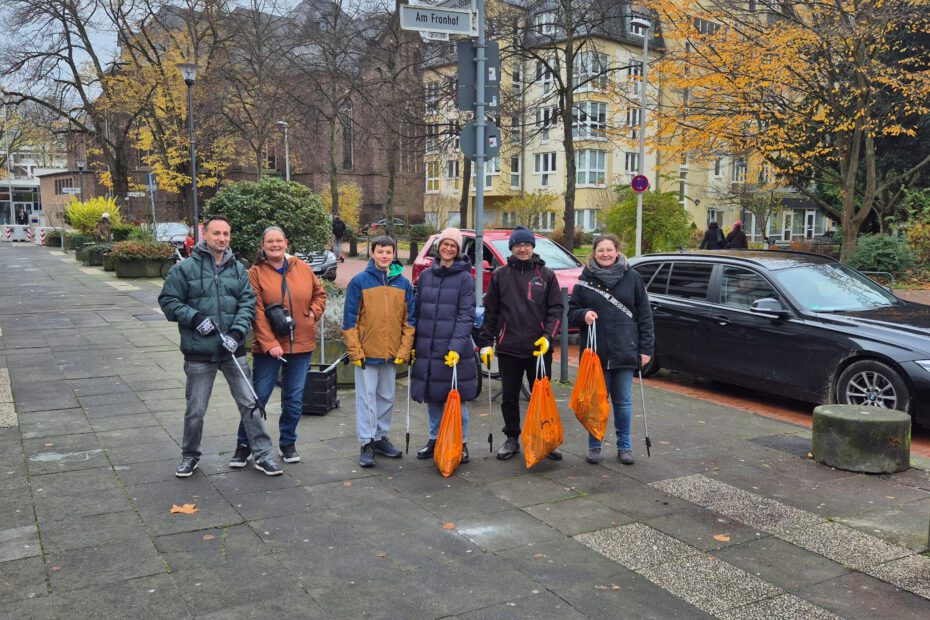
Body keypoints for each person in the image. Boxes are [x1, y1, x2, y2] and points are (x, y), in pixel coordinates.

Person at [158, 215, 283, 478]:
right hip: (199, 353)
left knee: (250, 403)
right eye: (217, 234)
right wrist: (195, 318)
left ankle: (262, 455)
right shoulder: (185, 269)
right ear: (204, 234)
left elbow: (248, 304)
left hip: (232, 351)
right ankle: (190, 456)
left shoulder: (238, 269)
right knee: (195, 410)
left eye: (226, 234)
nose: (222, 239)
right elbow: (168, 300)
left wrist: (237, 333)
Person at [229, 226, 327, 468]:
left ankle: (288, 443)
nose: (275, 245)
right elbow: (257, 312)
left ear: (286, 243)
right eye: (269, 241)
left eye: (279, 241)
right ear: (262, 246)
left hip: (302, 346)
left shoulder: (301, 268)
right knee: (257, 397)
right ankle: (244, 444)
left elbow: (320, 293)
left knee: (293, 399)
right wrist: (270, 343)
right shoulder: (255, 273)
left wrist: (313, 314)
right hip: (269, 349)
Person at [477, 226, 564, 461]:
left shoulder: (546, 275)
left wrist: (548, 337)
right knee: (510, 397)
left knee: (542, 396)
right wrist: (485, 342)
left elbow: (556, 309)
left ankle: (545, 436)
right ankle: (512, 438)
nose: (522, 248)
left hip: (539, 348)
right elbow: (491, 312)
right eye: (518, 245)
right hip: (509, 347)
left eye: (526, 244)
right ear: (512, 248)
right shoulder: (500, 275)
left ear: (532, 247)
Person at [568, 234, 654, 465]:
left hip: (626, 350)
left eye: (609, 250)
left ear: (617, 251)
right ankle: (595, 445)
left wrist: (646, 350)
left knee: (623, 402)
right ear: (593, 254)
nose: (605, 254)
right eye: (600, 251)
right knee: (596, 402)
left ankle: (624, 446)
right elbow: (570, 312)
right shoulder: (585, 279)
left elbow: (645, 316)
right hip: (596, 354)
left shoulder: (632, 277)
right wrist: (583, 314)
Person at [342, 235, 416, 468]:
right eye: (380, 251)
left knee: (387, 397)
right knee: (366, 400)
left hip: (391, 353)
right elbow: (349, 320)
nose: (384, 255)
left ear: (394, 254)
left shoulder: (403, 284)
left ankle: (380, 437)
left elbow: (409, 320)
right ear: (372, 253)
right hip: (366, 352)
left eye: (388, 252)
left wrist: (404, 349)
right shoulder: (359, 281)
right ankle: (366, 442)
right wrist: (355, 350)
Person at [411, 228, 478, 464]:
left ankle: (461, 442)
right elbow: (418, 311)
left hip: (452, 349)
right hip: (428, 347)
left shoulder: (465, 278)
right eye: (445, 244)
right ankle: (434, 437)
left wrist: (456, 347)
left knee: (454, 398)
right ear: (438, 246)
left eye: (453, 245)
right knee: (433, 396)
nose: (448, 248)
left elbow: (466, 315)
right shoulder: (427, 276)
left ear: (458, 250)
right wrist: (413, 343)